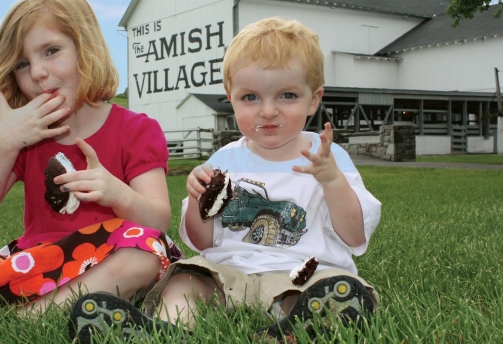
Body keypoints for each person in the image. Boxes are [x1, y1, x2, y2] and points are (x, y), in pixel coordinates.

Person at [68, 18, 381, 342]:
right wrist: (200, 201)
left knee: (323, 292)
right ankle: (164, 330)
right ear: (231, 99)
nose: (268, 110)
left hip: (303, 272)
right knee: (184, 281)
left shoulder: (327, 157)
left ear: (313, 99)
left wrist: (331, 181)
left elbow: (353, 234)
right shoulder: (224, 161)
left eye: (287, 95)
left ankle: (293, 330)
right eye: (251, 98)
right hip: (229, 273)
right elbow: (202, 242)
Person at [0, 0, 182, 317]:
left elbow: (158, 222)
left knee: (144, 254)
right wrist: (5, 142)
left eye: (51, 51)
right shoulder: (26, 137)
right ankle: (61, 307)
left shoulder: (134, 129)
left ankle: (30, 318)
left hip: (114, 261)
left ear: (85, 48)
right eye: (22, 64)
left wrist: (118, 194)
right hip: (41, 264)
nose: (37, 72)